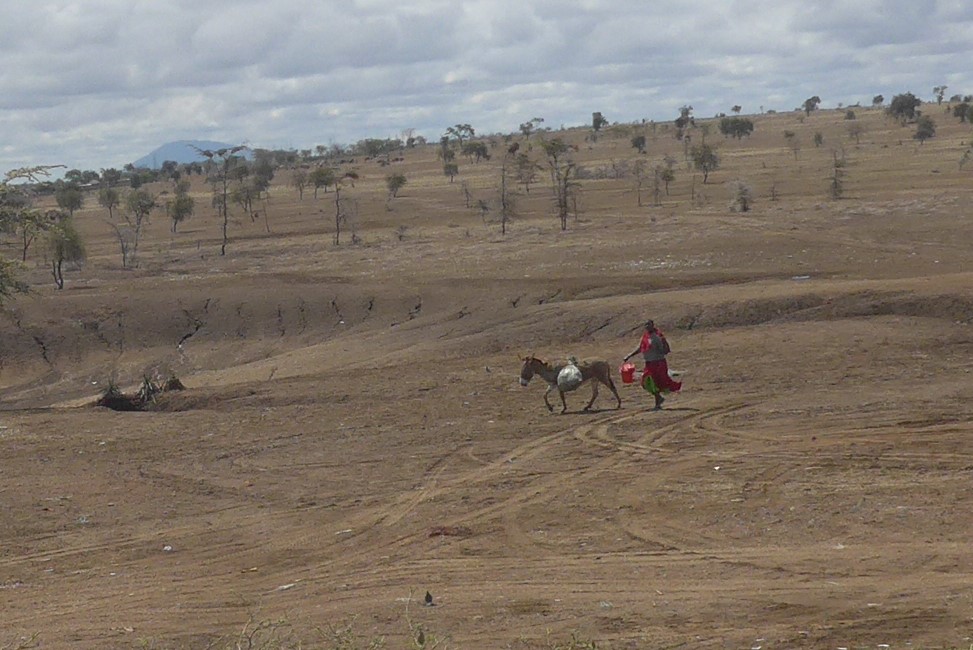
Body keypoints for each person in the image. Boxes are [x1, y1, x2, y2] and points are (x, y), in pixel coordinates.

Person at [623, 319, 682, 410]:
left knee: (657, 382)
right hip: (649, 363)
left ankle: (658, 401)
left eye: (649, 325)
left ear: (652, 325)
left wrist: (658, 350)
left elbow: (664, 350)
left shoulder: (657, 337)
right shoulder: (646, 337)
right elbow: (640, 348)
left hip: (658, 363)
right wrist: (629, 355)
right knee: (646, 382)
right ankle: (658, 398)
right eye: (646, 325)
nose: (647, 327)